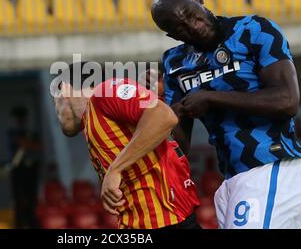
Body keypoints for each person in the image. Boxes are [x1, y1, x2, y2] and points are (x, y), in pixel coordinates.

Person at [151, 0, 301, 229]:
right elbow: (179, 145)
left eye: (191, 15)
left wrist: (212, 98)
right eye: (180, 28)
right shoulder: (174, 63)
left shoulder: (254, 30)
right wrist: (160, 105)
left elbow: (287, 100)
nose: (193, 27)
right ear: (172, 36)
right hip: (230, 181)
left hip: (272, 167)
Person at [53, 62, 200, 229]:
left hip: (165, 220)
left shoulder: (105, 92)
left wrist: (115, 169)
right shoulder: (93, 120)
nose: (57, 112)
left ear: (65, 89)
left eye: (55, 102)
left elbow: (165, 116)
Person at [7, 105, 42, 229]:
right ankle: (20, 224)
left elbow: (39, 146)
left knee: (32, 199)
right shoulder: (12, 132)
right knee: (19, 200)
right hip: (18, 169)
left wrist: (29, 144)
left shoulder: (31, 132)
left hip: (31, 169)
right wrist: (28, 143)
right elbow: (22, 143)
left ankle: (32, 224)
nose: (21, 120)